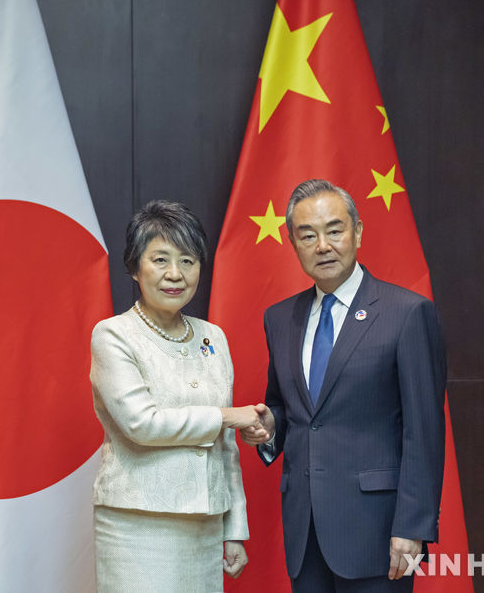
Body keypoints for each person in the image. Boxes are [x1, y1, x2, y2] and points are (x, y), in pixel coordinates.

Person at [241, 179, 446, 592]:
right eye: (308, 234)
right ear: (292, 242)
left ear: (357, 231)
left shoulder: (406, 313)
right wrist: (270, 425)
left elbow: (423, 432)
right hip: (305, 528)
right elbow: (288, 408)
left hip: (378, 531)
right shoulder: (280, 319)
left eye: (334, 230)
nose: (323, 245)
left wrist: (413, 526)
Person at [90, 200, 264, 592]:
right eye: (160, 259)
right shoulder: (114, 335)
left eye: (187, 261)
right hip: (138, 525)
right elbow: (142, 424)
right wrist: (224, 415)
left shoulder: (211, 337)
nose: (175, 274)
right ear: (135, 268)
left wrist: (234, 527)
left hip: (205, 525)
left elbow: (227, 446)